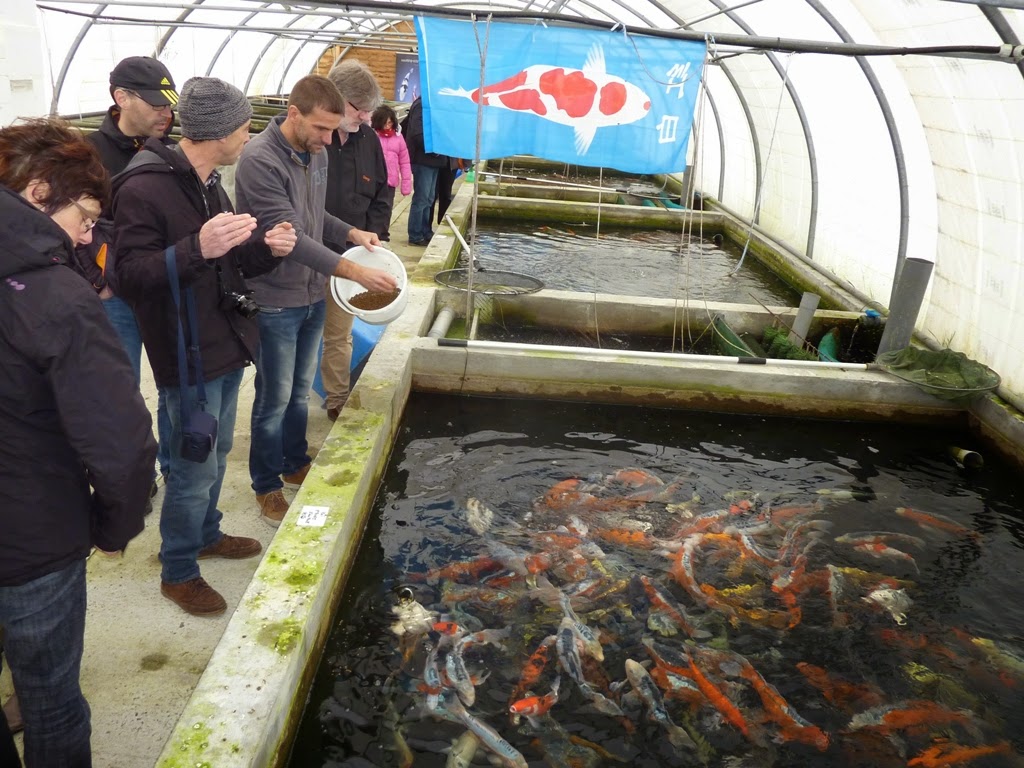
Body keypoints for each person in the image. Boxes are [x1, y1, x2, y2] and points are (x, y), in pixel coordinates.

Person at [0, 117, 157, 766]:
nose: (90, 235)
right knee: (53, 699)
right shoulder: (56, 295)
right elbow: (120, 443)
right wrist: (113, 526)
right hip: (33, 542)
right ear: (38, 192)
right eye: (86, 216)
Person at [112, 77, 298, 616]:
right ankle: (178, 569)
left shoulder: (209, 182)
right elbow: (127, 277)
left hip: (225, 342)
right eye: (243, 128)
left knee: (216, 457)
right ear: (218, 132)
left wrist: (266, 249)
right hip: (185, 355)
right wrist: (197, 246)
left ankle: (207, 534)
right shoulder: (143, 186)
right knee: (192, 467)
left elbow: (229, 263)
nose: (249, 137)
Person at [234, 74, 397, 525]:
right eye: (322, 128)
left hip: (310, 292)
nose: (329, 139)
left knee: (299, 391)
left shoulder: (315, 154)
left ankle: (293, 460)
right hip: (275, 297)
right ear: (293, 114)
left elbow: (316, 214)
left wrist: (351, 233)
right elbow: (293, 234)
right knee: (273, 396)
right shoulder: (259, 160)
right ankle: (266, 483)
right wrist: (356, 270)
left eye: (334, 128)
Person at [78, 55, 178, 485]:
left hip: (159, 285)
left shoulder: (168, 150)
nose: (166, 112)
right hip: (114, 296)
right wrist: (97, 280)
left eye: (169, 103)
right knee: (120, 391)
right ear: (121, 98)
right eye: (156, 103)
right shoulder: (87, 156)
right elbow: (71, 227)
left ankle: (176, 469)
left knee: (175, 385)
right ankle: (133, 478)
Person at [319, 61, 391, 422]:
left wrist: (377, 235)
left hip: (352, 254)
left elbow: (382, 190)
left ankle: (336, 398)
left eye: (368, 110)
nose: (363, 117)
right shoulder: (317, 138)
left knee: (339, 333)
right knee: (297, 335)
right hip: (307, 253)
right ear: (333, 98)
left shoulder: (369, 139)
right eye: (356, 108)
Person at [403, 95, 449, 246]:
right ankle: (415, 234)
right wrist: (434, 149)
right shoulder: (422, 105)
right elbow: (417, 133)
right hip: (424, 159)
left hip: (435, 160)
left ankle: (425, 230)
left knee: (429, 198)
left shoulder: (434, 104)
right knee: (422, 198)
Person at [372, 104, 412, 239]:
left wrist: (406, 185)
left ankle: (383, 236)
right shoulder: (373, 136)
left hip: (390, 182)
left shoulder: (399, 138)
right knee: (372, 208)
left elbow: (405, 162)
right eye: (385, 123)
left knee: (386, 209)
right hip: (373, 180)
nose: (388, 126)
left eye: (390, 122)